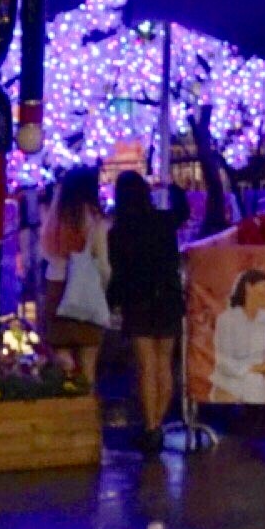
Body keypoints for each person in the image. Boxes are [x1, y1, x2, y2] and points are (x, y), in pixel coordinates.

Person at [108, 171, 186, 450]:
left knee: (146, 366)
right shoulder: (164, 222)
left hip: (137, 301)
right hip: (167, 298)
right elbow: (183, 210)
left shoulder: (118, 232)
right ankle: (158, 424)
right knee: (165, 364)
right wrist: (170, 185)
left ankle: (150, 425)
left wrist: (112, 302)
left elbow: (117, 274)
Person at [40, 166, 111, 383]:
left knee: (62, 357)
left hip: (55, 288)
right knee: (88, 362)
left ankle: (66, 408)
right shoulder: (93, 219)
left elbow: (45, 251)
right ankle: (86, 411)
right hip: (85, 290)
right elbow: (103, 265)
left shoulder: (55, 218)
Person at [211, 268, 265, 404]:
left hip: (260, 390)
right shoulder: (227, 319)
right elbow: (224, 361)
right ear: (249, 287)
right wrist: (257, 368)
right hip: (230, 386)